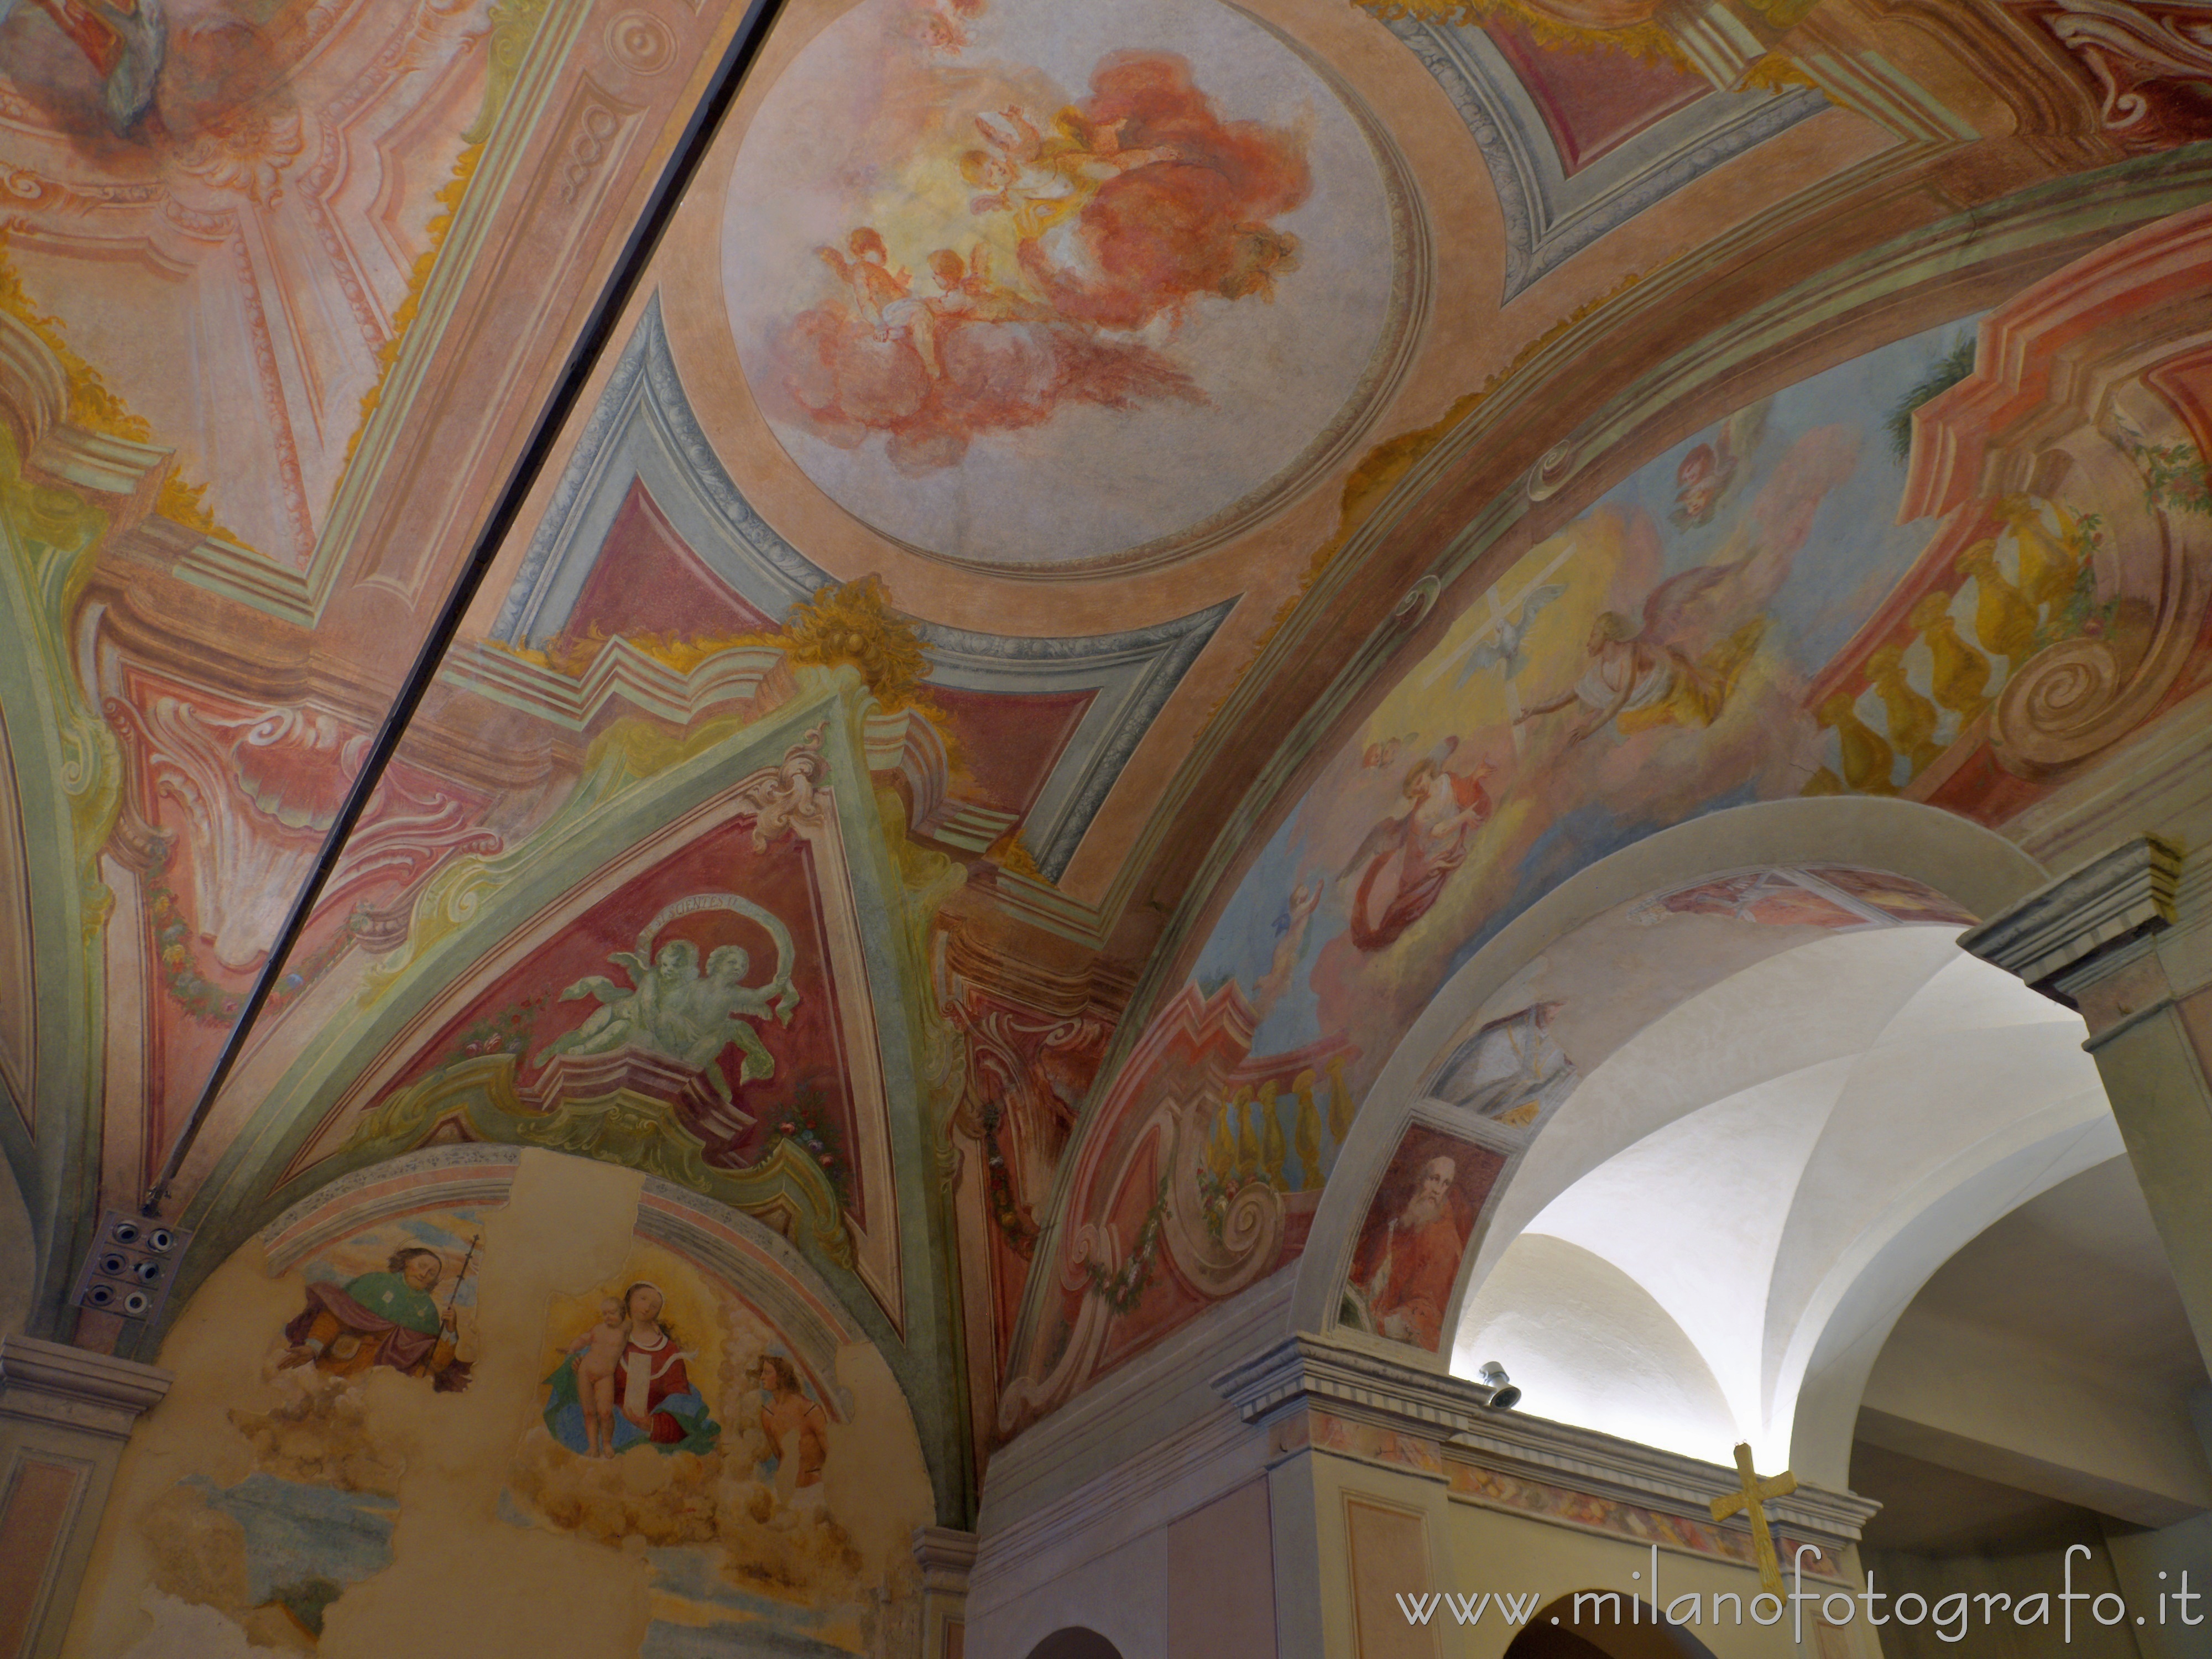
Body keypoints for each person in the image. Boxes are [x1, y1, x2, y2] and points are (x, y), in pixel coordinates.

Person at [278, 1246, 468, 1390]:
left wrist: (450, 1331)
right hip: (341, 1364)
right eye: (422, 1266)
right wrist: (313, 1348)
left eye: (431, 1273)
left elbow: (433, 1363)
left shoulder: (428, 1312)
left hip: (382, 1384)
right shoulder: (375, 1283)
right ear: (407, 1262)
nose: (424, 1274)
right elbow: (335, 1315)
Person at [1354, 1156, 1469, 1351]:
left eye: (1445, 1184)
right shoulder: (1399, 1226)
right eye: (1434, 1179)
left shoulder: (1444, 1240)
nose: (1437, 1189)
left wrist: (1382, 1322)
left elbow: (1430, 1307)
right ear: (1420, 1179)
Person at [757, 1354, 829, 1522]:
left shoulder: (810, 1410)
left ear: (781, 1376)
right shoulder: (767, 1414)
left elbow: (832, 1455)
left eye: (767, 1372)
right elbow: (780, 1455)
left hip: (815, 1492)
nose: (762, 1377)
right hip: (786, 1493)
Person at [567, 1297, 629, 1457]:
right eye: (605, 1313)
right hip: (585, 1373)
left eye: (612, 1313)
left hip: (605, 1377)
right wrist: (575, 1345)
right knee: (588, 1412)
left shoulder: (625, 1329)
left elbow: (643, 1326)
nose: (608, 1317)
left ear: (623, 1312)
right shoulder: (598, 1329)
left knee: (606, 1412)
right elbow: (585, 1339)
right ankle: (594, 1448)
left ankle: (607, 1444)